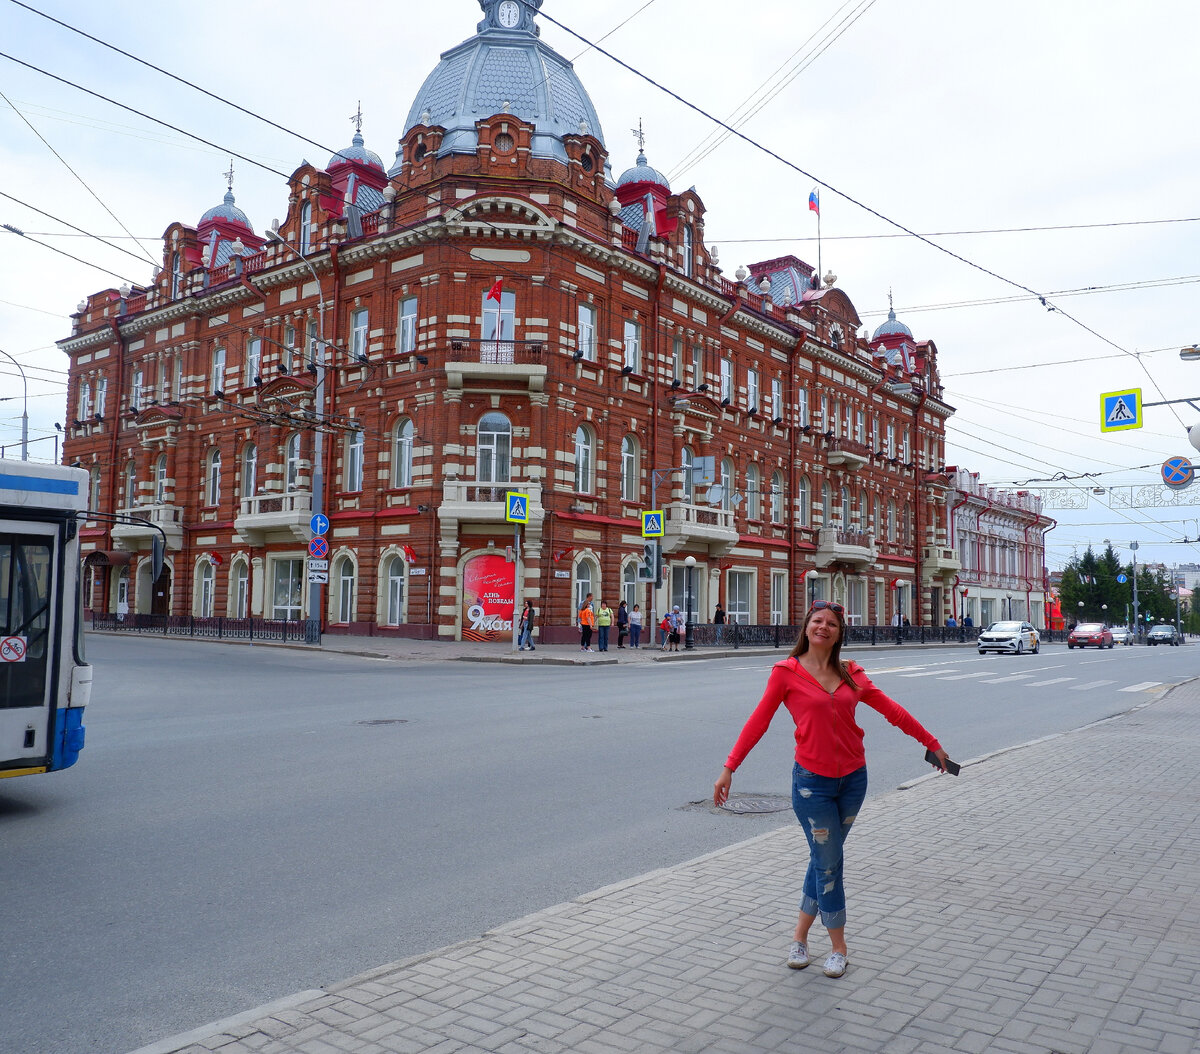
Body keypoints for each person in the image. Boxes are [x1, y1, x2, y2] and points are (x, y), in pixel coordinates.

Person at [713, 600, 950, 980]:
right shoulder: (785, 673)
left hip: (854, 781)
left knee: (825, 859)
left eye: (832, 624)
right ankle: (839, 947)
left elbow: (893, 711)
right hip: (811, 785)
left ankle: (799, 937)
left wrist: (932, 744)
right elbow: (757, 722)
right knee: (829, 862)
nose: (823, 627)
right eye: (817, 621)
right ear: (807, 626)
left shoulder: (851, 674)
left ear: (840, 634)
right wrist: (729, 769)